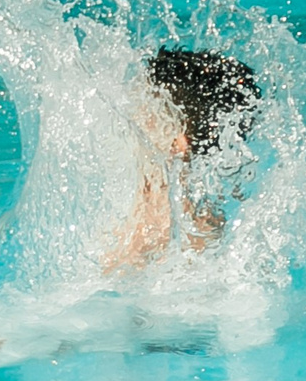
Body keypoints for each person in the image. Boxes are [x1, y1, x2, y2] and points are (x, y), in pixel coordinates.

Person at [107, 48, 261, 274]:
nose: (130, 120)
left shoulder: (160, 236)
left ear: (176, 142)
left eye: (141, 110)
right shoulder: (205, 219)